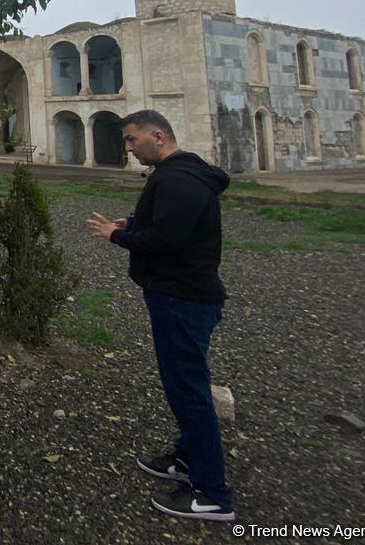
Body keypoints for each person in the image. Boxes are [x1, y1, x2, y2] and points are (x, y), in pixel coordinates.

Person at [86, 109, 235, 523]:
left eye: (132, 140)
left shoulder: (179, 180)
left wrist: (118, 235)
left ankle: (213, 495)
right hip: (176, 297)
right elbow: (171, 224)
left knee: (188, 391)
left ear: (158, 135)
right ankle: (188, 459)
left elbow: (167, 241)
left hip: (183, 300)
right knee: (185, 384)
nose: (128, 148)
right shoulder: (177, 176)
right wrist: (132, 221)